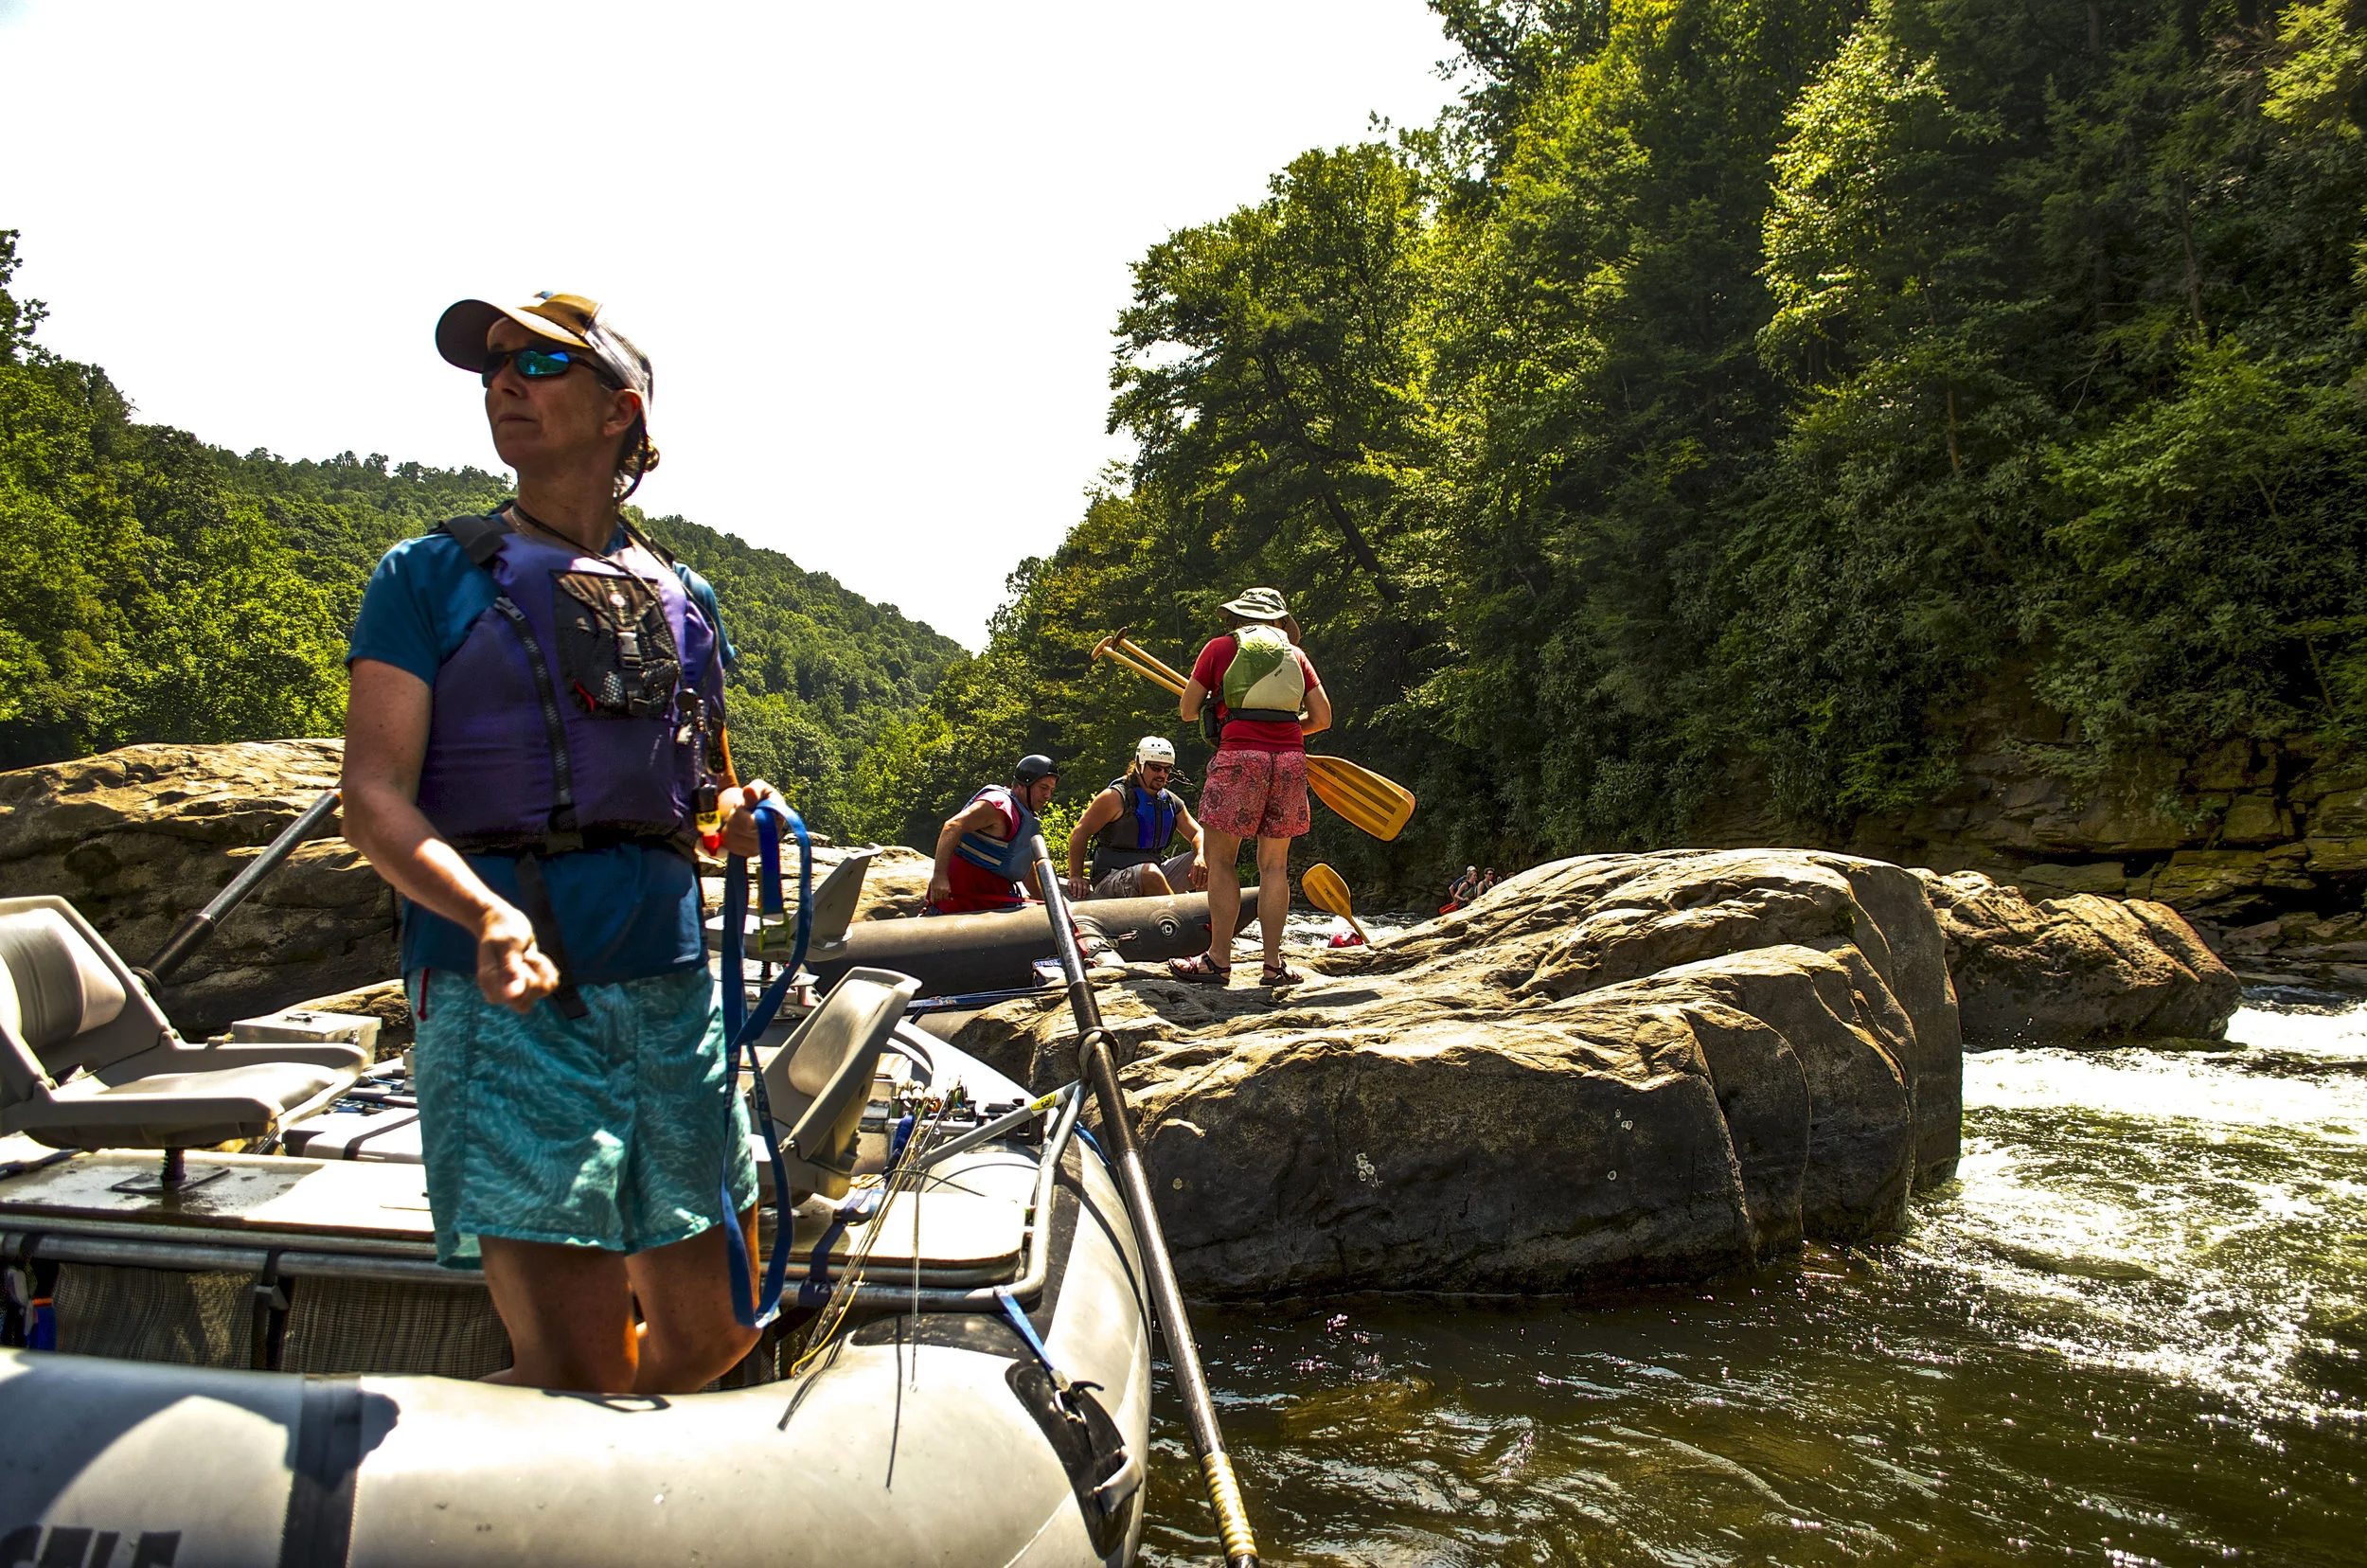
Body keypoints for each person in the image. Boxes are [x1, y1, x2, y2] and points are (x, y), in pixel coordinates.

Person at [342, 291, 772, 1395]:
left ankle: (571, 1460)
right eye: (493, 367)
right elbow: (373, 797)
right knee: (578, 1364)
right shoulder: (426, 576)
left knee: (720, 1329)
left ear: (622, 409)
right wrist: (483, 914)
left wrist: (736, 815)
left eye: (538, 362)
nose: (503, 382)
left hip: (669, 987)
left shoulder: (686, 595)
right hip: (508, 1000)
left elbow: (702, 794)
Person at [1167, 587, 1331, 988]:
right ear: (1279, 621)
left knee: (1222, 861)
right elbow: (1322, 718)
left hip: (1239, 758)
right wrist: (1284, 728)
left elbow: (1187, 711)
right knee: (1275, 866)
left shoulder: (1220, 648)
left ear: (1238, 617)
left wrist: (1226, 711)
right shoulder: (1297, 655)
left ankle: (1218, 961)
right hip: (1290, 761)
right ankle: (1273, 966)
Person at [1065, 737, 1205, 900]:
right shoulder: (1115, 797)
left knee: (1212, 857)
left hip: (1155, 873)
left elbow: (1198, 833)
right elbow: (1080, 832)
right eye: (1156, 768)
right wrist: (1075, 876)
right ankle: (1179, 914)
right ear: (1140, 764)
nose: (1162, 774)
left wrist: (1201, 855)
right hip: (1112, 878)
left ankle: (1208, 913)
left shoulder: (1170, 802)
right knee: (1150, 873)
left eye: (1167, 770)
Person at [928, 755, 1059, 914]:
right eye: (1043, 788)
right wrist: (939, 876)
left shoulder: (1025, 815)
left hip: (994, 902)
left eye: (1051, 790)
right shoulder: (997, 804)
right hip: (960, 902)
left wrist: (1043, 901)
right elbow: (952, 826)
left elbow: (1021, 863)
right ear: (1022, 785)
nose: (1048, 795)